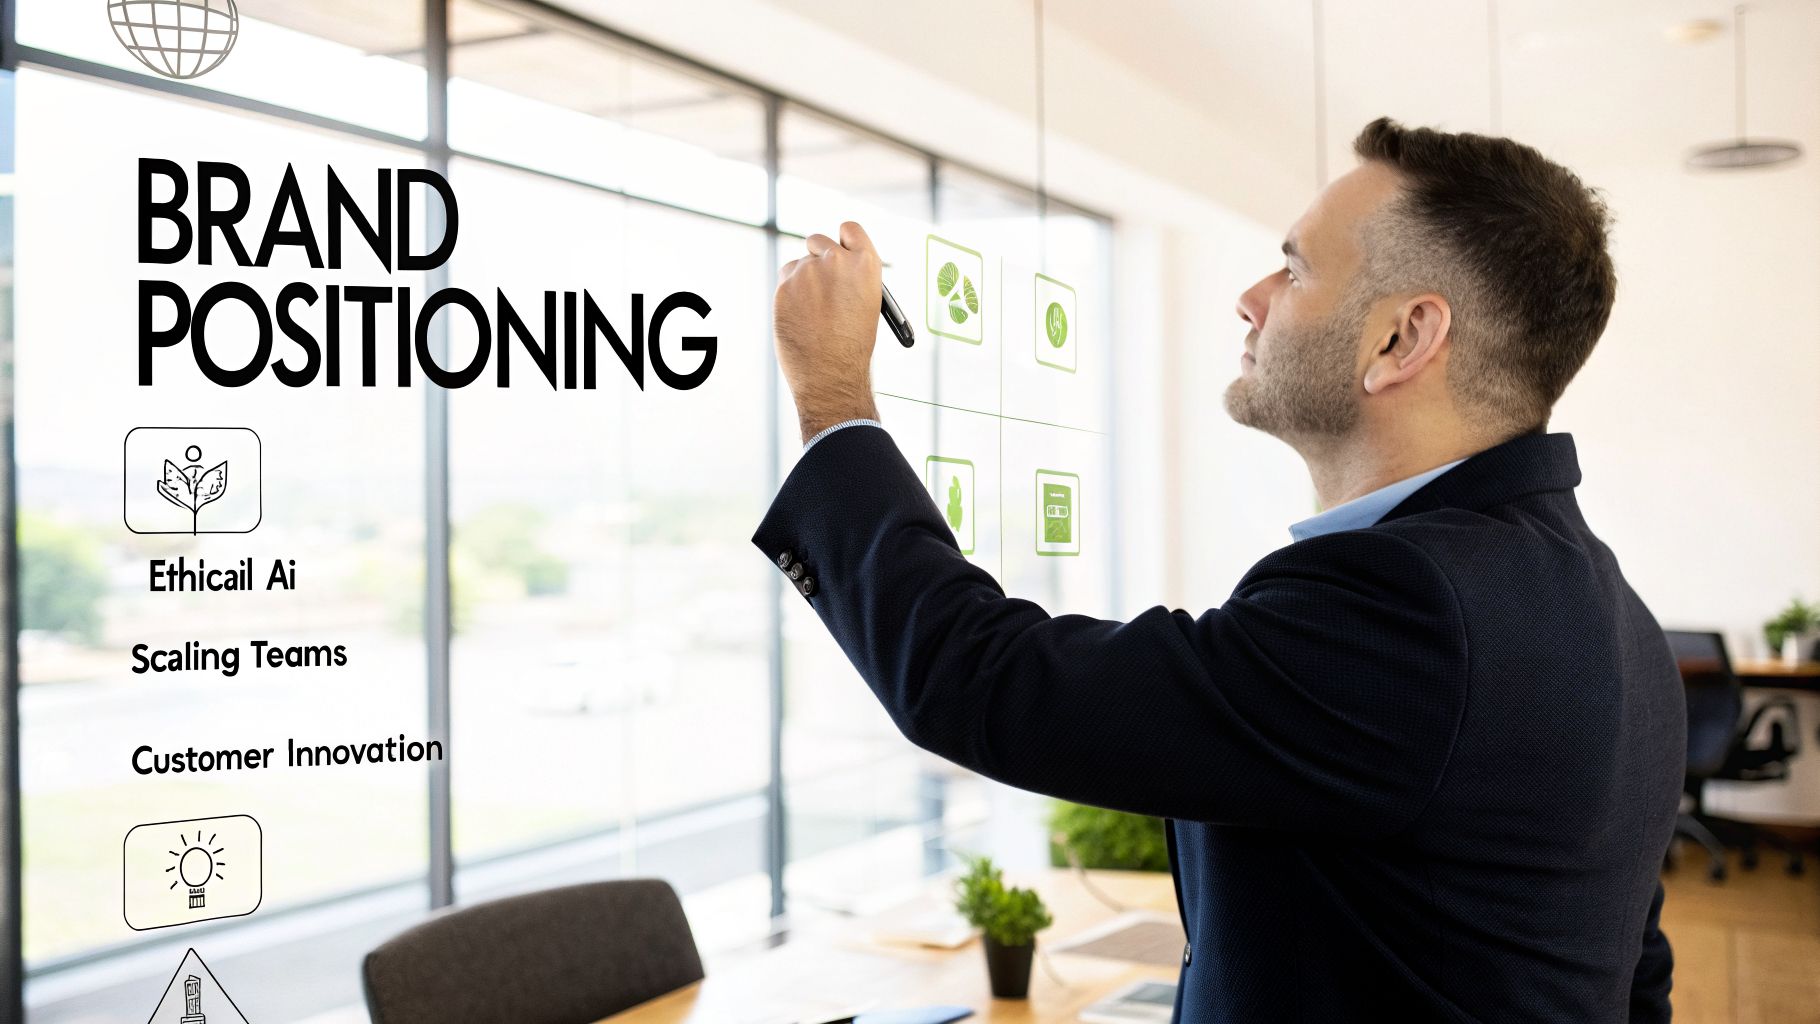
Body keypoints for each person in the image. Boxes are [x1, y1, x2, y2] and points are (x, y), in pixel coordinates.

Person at [756, 117, 1683, 1022]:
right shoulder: (1615, 617)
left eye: (1296, 266)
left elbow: (979, 680)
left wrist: (834, 397)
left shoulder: (1410, 608)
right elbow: (1625, 972)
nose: (1252, 295)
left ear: (1402, 340)